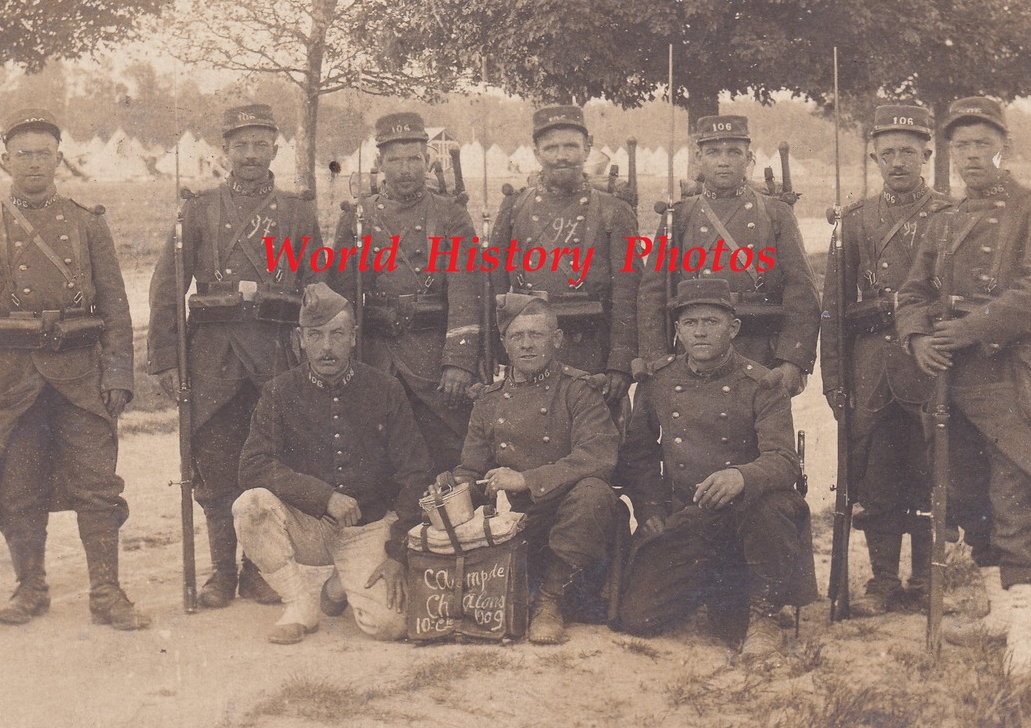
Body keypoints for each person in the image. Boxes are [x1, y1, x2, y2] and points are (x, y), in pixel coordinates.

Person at [0, 108, 148, 630]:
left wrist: (118, 375)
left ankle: (106, 591)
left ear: (60, 160)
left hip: (80, 374)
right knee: (17, 485)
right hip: (11, 378)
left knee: (98, 483)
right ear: (6, 161)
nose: (34, 164)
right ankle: (30, 587)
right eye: (24, 154)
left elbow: (116, 308)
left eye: (45, 154)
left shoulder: (87, 223)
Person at [895, 96, 1031, 679]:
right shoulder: (943, 219)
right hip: (954, 381)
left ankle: (1025, 635)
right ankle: (1000, 613)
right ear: (948, 153)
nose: (971, 155)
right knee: (969, 498)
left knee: (1018, 500)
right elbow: (913, 292)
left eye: (982, 143)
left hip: (1013, 374)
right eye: (961, 145)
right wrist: (919, 339)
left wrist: (964, 331)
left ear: (1004, 146)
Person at [147, 103, 325, 609]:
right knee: (215, 464)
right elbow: (167, 286)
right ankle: (222, 572)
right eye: (240, 145)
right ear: (225, 152)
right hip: (213, 354)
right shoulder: (198, 209)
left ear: (275, 148)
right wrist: (166, 358)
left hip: (275, 353)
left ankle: (260, 569)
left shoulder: (296, 211)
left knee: (272, 461)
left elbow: (316, 284)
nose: (250, 154)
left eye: (259, 144)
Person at [614, 280, 817, 658]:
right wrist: (652, 510)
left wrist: (741, 476)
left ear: (733, 329)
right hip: (689, 517)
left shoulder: (762, 383)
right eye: (690, 323)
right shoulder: (658, 382)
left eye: (711, 321)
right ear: (677, 331)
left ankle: (763, 615)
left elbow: (784, 460)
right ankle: (714, 588)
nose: (701, 331)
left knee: (772, 507)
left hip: (746, 516)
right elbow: (638, 455)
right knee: (638, 618)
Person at [233, 284, 431, 645]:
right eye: (316, 335)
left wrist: (398, 551)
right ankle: (299, 605)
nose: (326, 347)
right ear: (299, 340)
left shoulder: (384, 389)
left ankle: (340, 584)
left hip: (368, 529)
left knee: (390, 627)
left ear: (353, 338)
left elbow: (415, 473)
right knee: (250, 507)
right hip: (309, 525)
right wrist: (323, 497)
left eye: (337, 334)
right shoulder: (278, 392)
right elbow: (253, 464)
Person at [820, 104, 955, 616]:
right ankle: (881, 578)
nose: (897, 161)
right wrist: (835, 379)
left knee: (928, 467)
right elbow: (834, 306)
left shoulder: (947, 217)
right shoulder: (855, 220)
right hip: (870, 362)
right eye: (887, 152)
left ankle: (924, 577)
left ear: (926, 153)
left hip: (927, 358)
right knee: (874, 472)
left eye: (908, 151)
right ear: (874, 156)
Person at [450, 294, 622, 644]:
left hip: (569, 517)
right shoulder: (489, 400)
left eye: (537, 335)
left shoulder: (578, 391)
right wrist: (453, 487)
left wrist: (526, 479)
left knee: (594, 492)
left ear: (556, 340)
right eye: (517, 336)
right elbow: (471, 467)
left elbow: (598, 454)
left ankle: (550, 600)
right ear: (504, 345)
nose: (527, 345)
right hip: (516, 521)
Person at [330, 112, 480, 474]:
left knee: (447, 460)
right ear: (381, 163)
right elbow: (342, 296)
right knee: (382, 463)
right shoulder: (357, 218)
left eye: (414, 158)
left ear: (428, 160)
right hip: (377, 358)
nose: (405, 169)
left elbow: (465, 290)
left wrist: (458, 363)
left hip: (434, 361)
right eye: (395, 159)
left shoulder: (451, 216)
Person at [638, 114, 819, 396]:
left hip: (758, 350)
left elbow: (801, 292)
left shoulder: (774, 213)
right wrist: (657, 359)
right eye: (713, 152)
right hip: (693, 353)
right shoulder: (680, 216)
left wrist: (792, 362)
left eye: (733, 152)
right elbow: (652, 294)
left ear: (749, 158)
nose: (723, 161)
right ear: (698, 158)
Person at [490, 105, 640, 412]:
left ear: (587, 149)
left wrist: (619, 363)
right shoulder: (514, 207)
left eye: (571, 146)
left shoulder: (614, 210)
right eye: (551, 148)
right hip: (529, 349)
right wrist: (499, 352)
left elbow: (628, 292)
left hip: (591, 352)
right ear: (536, 153)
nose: (561, 156)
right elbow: (494, 283)